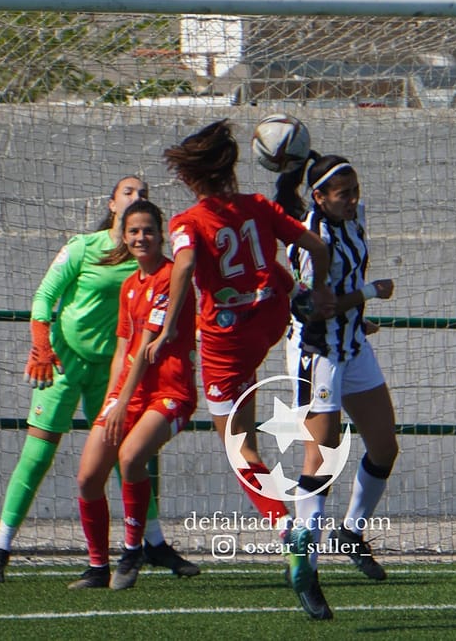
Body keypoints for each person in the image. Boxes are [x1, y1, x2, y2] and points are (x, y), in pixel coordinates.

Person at [0, 176, 198, 583]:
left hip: (119, 374)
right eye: (129, 192)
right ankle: (0, 548)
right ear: (112, 204)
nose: (138, 198)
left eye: (144, 195)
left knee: (129, 460)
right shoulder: (84, 247)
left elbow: (165, 303)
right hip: (66, 364)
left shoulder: (150, 267)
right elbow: (45, 296)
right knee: (39, 455)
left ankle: (147, 545)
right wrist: (41, 346)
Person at [146, 119, 335, 544]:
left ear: (190, 176)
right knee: (270, 274)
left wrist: (168, 327)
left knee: (239, 447)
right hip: (270, 319)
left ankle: (286, 526)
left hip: (226, 340)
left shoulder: (187, 222)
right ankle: (315, 306)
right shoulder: (257, 205)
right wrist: (316, 290)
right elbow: (317, 247)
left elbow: (187, 264)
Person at [276, 153, 399, 620]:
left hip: (352, 344)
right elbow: (313, 309)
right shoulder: (312, 240)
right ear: (319, 197)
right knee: (321, 454)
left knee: (385, 446)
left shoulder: (353, 220)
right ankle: (305, 566)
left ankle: (350, 530)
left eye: (355, 190)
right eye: (342, 193)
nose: (352, 199)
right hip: (318, 351)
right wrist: (371, 294)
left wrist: (359, 317)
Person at [69, 200, 198, 590]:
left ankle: (132, 551)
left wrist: (123, 401)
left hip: (169, 391)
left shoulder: (170, 277)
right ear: (123, 238)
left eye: (148, 230)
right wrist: (112, 400)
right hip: (128, 391)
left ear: (161, 235)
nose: (141, 237)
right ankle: (96, 567)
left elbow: (146, 346)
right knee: (88, 477)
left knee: (130, 458)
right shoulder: (129, 285)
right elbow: (123, 350)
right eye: (134, 231)